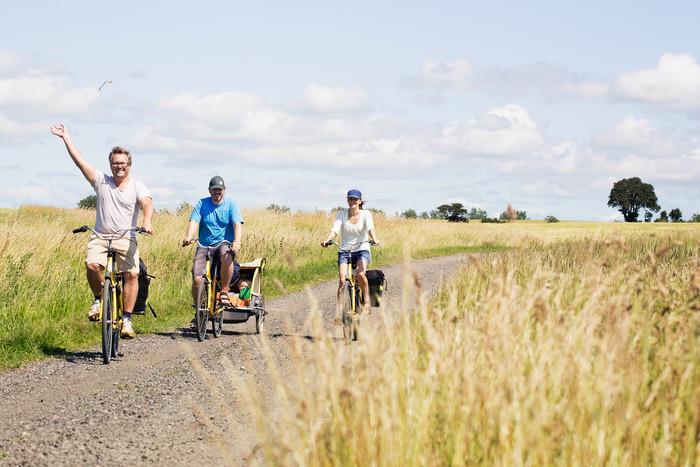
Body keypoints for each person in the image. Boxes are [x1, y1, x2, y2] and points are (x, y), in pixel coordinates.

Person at [50, 123, 153, 339]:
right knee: (92, 265)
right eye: (115, 163)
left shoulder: (137, 186)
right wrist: (66, 137)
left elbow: (146, 204)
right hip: (100, 236)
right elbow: (79, 162)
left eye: (123, 163)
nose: (119, 167)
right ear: (110, 164)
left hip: (126, 237)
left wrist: (147, 221)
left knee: (132, 273)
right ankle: (99, 298)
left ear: (129, 165)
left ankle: (126, 319)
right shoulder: (101, 181)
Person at [181, 176, 243, 309]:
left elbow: (237, 224)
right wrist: (188, 236)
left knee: (226, 254)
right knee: (197, 279)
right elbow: (194, 221)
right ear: (209, 191)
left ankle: (224, 292)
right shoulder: (202, 204)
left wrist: (237, 242)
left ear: (224, 190)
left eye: (219, 190)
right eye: (214, 190)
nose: (217, 193)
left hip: (223, 242)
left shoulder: (231, 205)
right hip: (204, 244)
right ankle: (199, 309)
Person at [321, 189, 380, 315]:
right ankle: (339, 311)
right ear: (347, 200)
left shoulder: (366, 214)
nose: (352, 201)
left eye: (355, 199)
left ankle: (367, 303)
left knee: (360, 274)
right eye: (350, 199)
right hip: (345, 250)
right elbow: (335, 229)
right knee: (342, 280)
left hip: (362, 249)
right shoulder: (342, 214)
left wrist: (374, 238)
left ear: (359, 201)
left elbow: (370, 228)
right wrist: (327, 240)